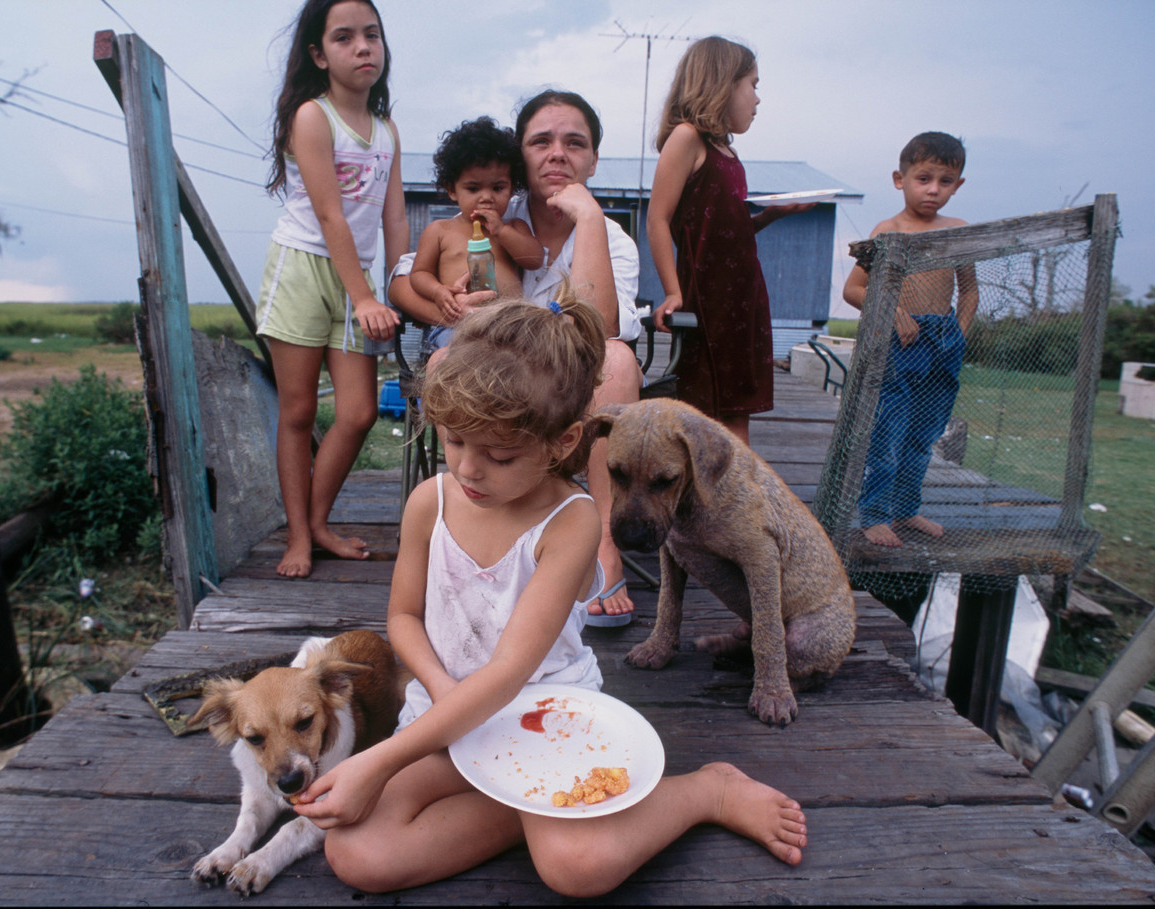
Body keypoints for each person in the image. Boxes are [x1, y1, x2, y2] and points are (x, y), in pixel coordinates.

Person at [290, 293, 808, 897]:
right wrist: (441, 692)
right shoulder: (429, 502)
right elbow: (404, 616)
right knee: (357, 853)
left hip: (545, 721)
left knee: (576, 869)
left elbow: (511, 672)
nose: (468, 470)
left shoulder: (571, 522)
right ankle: (534, 816)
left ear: (561, 444)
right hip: (446, 713)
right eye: (455, 442)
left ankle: (704, 790)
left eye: (500, 455)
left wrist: (377, 760)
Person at [389, 89, 644, 624]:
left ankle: (601, 542)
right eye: (541, 141)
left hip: (570, 393)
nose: (557, 154)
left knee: (618, 360)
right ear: (519, 157)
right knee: (442, 365)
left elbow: (602, 328)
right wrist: (447, 304)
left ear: (593, 159)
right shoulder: (491, 204)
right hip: (497, 388)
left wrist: (589, 221)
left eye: (574, 142)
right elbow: (402, 280)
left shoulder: (612, 236)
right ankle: (470, 525)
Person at [256, 0, 406, 578]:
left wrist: (393, 286)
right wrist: (363, 297)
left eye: (372, 35)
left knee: (360, 412)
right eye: (344, 38)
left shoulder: (388, 129)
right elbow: (329, 216)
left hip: (359, 279)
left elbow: (394, 221)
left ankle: (319, 521)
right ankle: (299, 536)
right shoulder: (312, 117)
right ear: (320, 55)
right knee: (296, 412)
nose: (363, 47)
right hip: (302, 268)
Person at [646, 36, 814, 445]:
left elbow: (724, 232)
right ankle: (709, 498)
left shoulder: (728, 153)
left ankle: (733, 499)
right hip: (708, 297)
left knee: (738, 407)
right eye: (753, 84)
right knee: (707, 408)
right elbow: (658, 218)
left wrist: (770, 216)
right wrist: (672, 292)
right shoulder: (688, 138)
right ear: (723, 82)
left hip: (743, 297)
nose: (758, 99)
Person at [842, 131, 979, 548]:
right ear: (900, 179)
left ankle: (906, 509)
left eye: (945, 181)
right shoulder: (889, 230)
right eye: (923, 178)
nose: (933, 189)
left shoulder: (957, 232)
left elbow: (969, 290)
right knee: (888, 431)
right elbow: (854, 290)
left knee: (924, 433)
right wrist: (894, 311)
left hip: (943, 340)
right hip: (900, 344)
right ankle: (876, 514)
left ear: (958, 185)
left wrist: (959, 332)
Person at [409, 117, 544, 350]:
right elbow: (419, 273)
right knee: (456, 357)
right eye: (473, 189)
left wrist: (501, 231)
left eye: (498, 188)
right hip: (457, 327)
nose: (486, 197)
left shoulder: (514, 227)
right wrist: (438, 291)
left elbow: (534, 260)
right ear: (452, 190)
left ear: (512, 188)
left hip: (509, 324)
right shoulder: (440, 230)